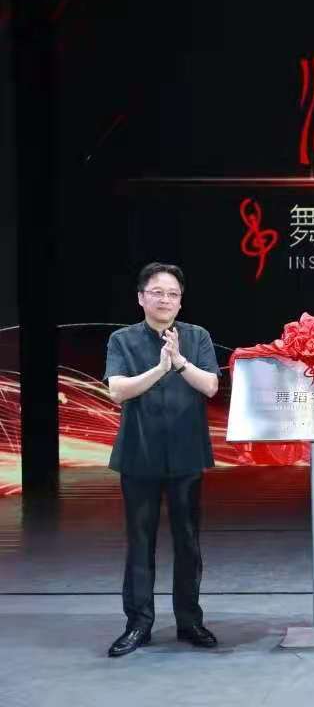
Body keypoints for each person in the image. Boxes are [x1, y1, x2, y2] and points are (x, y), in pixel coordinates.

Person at [104, 262, 220, 656]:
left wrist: (180, 362)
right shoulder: (122, 340)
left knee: (188, 542)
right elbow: (118, 391)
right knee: (140, 543)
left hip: (187, 455)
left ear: (180, 301)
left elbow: (210, 385)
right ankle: (138, 625)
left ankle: (190, 622)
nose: (165, 300)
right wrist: (159, 368)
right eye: (157, 292)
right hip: (139, 455)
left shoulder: (197, 336)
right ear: (141, 298)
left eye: (172, 294)